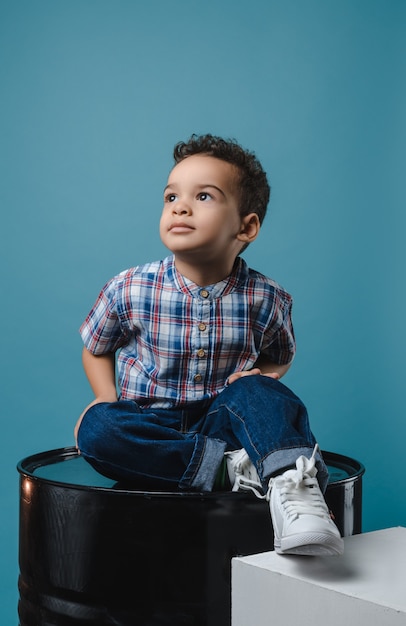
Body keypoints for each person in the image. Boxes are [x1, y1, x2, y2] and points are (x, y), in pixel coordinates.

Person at [75, 134, 343, 557]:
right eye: (171, 197)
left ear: (247, 226)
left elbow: (279, 357)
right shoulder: (130, 287)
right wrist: (104, 397)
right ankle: (229, 470)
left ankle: (294, 488)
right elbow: (96, 346)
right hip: (150, 428)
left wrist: (261, 378)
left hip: (224, 423)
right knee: (97, 429)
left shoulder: (268, 298)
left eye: (203, 196)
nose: (180, 206)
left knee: (261, 392)